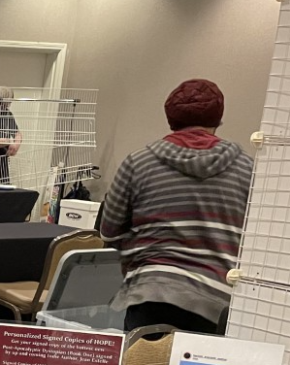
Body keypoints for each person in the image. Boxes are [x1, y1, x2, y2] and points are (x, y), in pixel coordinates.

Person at [99, 78, 253, 334]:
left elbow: (109, 232)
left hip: (152, 294)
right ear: (218, 120)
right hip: (219, 302)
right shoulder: (248, 169)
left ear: (171, 119)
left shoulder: (138, 163)